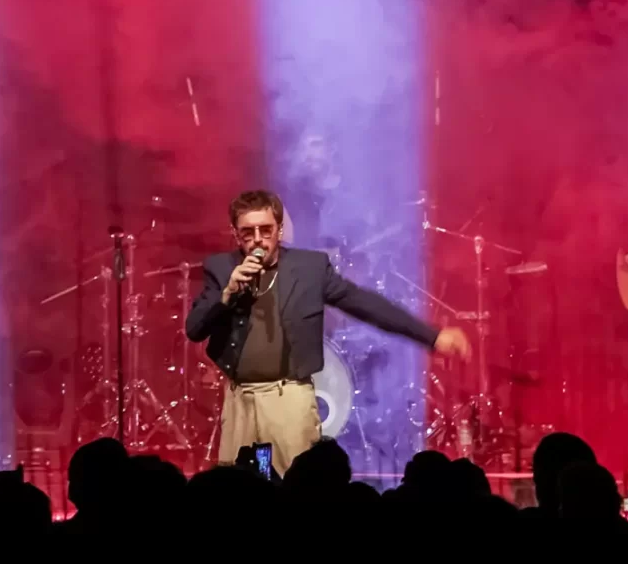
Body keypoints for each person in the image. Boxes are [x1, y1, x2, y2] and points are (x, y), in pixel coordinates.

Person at [186, 188, 469, 476]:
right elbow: (195, 329)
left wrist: (431, 336)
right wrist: (227, 294)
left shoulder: (309, 268)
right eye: (248, 232)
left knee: (297, 484)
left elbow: (364, 304)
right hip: (240, 400)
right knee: (237, 488)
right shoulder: (221, 269)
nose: (258, 239)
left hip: (288, 398)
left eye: (266, 229)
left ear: (279, 230)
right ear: (236, 235)